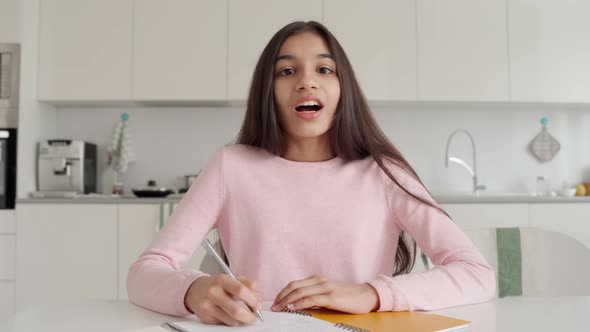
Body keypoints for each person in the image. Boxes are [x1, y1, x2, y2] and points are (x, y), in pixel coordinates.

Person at [127, 21, 495, 327]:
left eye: (324, 69)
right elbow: (144, 273)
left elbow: (477, 274)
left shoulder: (384, 172)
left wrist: (372, 294)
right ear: (267, 92)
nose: (307, 82)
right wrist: (194, 291)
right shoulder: (231, 166)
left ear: (343, 88)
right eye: (287, 71)